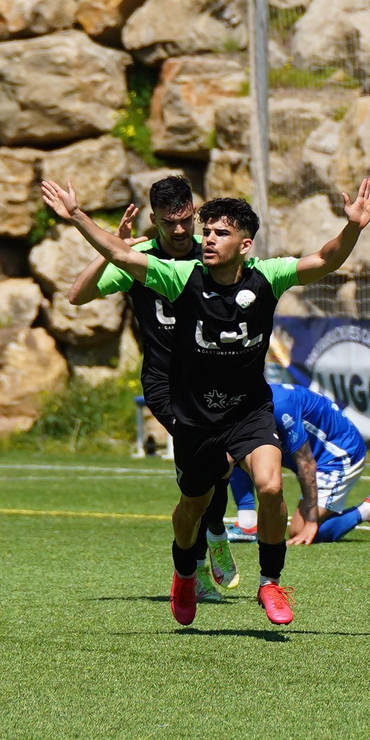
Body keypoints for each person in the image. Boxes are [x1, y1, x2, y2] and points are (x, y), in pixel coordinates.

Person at [41, 176, 370, 627]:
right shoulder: (181, 276)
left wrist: (354, 227)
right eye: (207, 231)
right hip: (196, 414)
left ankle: (270, 582)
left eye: (219, 233)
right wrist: (79, 216)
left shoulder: (269, 276)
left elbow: (324, 258)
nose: (206, 239)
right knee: (192, 506)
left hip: (248, 408)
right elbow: (122, 255)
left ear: (245, 244)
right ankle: (186, 571)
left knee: (272, 486)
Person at [67, 175, 241, 603]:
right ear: (154, 220)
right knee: (206, 463)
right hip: (167, 386)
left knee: (222, 464)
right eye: (169, 223)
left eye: (186, 221)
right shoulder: (138, 257)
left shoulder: (212, 253)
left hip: (215, 380)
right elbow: (78, 295)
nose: (180, 231)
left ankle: (213, 534)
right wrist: (115, 248)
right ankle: (202, 560)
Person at [227, 382, 370, 545]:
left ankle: (369, 509)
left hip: (336, 454)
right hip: (308, 454)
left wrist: (311, 521)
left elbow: (306, 463)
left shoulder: (280, 406)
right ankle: (247, 523)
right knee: (238, 447)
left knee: (300, 533)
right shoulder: (242, 405)